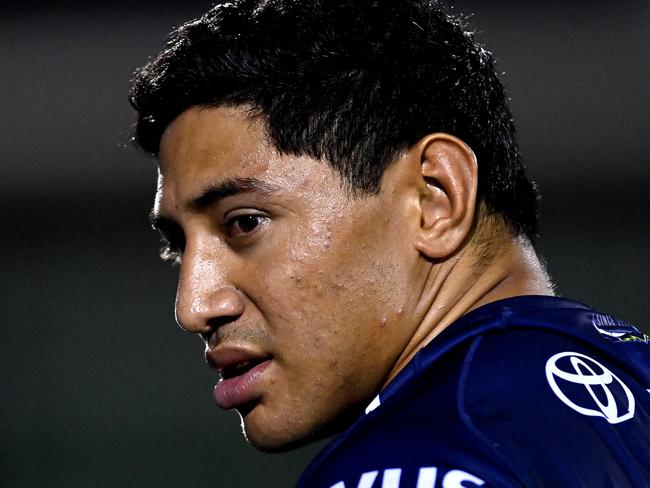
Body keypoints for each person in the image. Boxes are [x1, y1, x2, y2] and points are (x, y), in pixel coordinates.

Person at [129, 1, 650, 486]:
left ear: (435, 197)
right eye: (179, 247)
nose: (194, 307)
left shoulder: (412, 457)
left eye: (244, 223)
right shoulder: (626, 390)